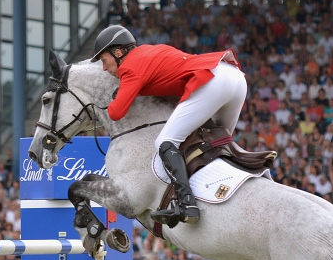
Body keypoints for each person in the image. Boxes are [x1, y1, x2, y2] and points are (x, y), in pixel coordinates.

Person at [90, 24, 248, 227]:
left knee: (165, 142)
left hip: (213, 81)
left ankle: (186, 203)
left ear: (118, 52)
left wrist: (103, 101)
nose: (104, 68)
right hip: (234, 77)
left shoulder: (130, 66)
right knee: (216, 143)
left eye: (104, 61)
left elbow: (116, 112)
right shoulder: (150, 51)